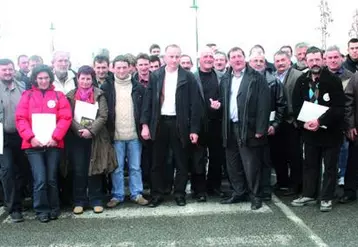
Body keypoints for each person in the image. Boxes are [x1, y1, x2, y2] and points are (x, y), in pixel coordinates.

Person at [141, 44, 201, 207]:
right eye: (171, 56)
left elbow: (195, 105)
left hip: (179, 124)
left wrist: (194, 129)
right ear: (165, 57)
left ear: (180, 57)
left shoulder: (188, 77)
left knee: (181, 162)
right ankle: (157, 194)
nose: (174, 60)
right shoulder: (156, 75)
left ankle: (180, 193)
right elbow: (148, 102)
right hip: (159, 123)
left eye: (177, 56)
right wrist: (145, 125)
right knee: (157, 162)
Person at [211, 47, 270, 210]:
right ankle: (239, 192)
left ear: (244, 58)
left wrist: (261, 128)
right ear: (229, 60)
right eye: (233, 57)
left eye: (239, 56)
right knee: (233, 164)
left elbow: (264, 105)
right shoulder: (226, 79)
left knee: (251, 165)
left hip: (249, 128)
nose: (236, 59)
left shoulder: (256, 78)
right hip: (230, 127)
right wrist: (218, 105)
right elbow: (224, 100)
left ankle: (256, 196)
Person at [16, 65, 72, 222]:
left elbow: (65, 117)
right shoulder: (27, 95)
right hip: (32, 146)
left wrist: (56, 137)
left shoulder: (58, 95)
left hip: (53, 144)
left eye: (46, 78)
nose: (43, 81)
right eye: (40, 78)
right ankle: (41, 209)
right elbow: (21, 119)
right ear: (35, 79)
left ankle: (54, 207)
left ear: (50, 78)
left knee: (52, 178)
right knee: (40, 178)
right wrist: (30, 137)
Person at [291, 47, 345, 212]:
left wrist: (319, 120)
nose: (314, 63)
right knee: (310, 164)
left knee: (329, 166)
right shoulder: (301, 80)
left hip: (330, 132)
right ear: (306, 61)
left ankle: (326, 197)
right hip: (309, 132)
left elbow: (338, 108)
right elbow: (296, 105)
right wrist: (304, 123)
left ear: (323, 60)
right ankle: (309, 194)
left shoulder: (333, 80)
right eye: (311, 60)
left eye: (317, 59)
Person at [67, 66, 117, 214]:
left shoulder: (99, 94)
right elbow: (67, 116)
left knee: (95, 168)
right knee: (79, 169)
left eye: (88, 78)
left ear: (92, 79)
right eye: (82, 78)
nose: (85, 81)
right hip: (76, 138)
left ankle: (96, 200)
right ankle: (79, 201)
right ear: (78, 79)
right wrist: (79, 130)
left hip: (95, 138)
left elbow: (103, 115)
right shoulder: (70, 95)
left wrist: (90, 131)